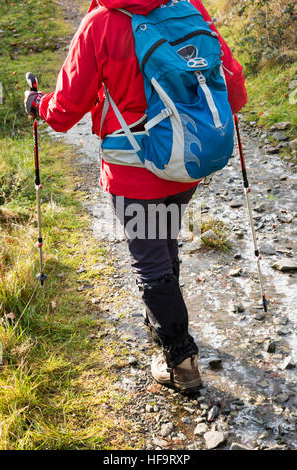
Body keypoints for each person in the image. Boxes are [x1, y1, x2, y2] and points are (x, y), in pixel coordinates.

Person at [24, 0, 247, 392]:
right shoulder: (188, 6)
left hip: (134, 170)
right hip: (187, 160)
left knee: (150, 262)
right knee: (163, 240)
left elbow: (64, 112)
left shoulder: (100, 25)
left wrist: (37, 104)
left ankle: (180, 361)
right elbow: (233, 85)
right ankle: (159, 322)